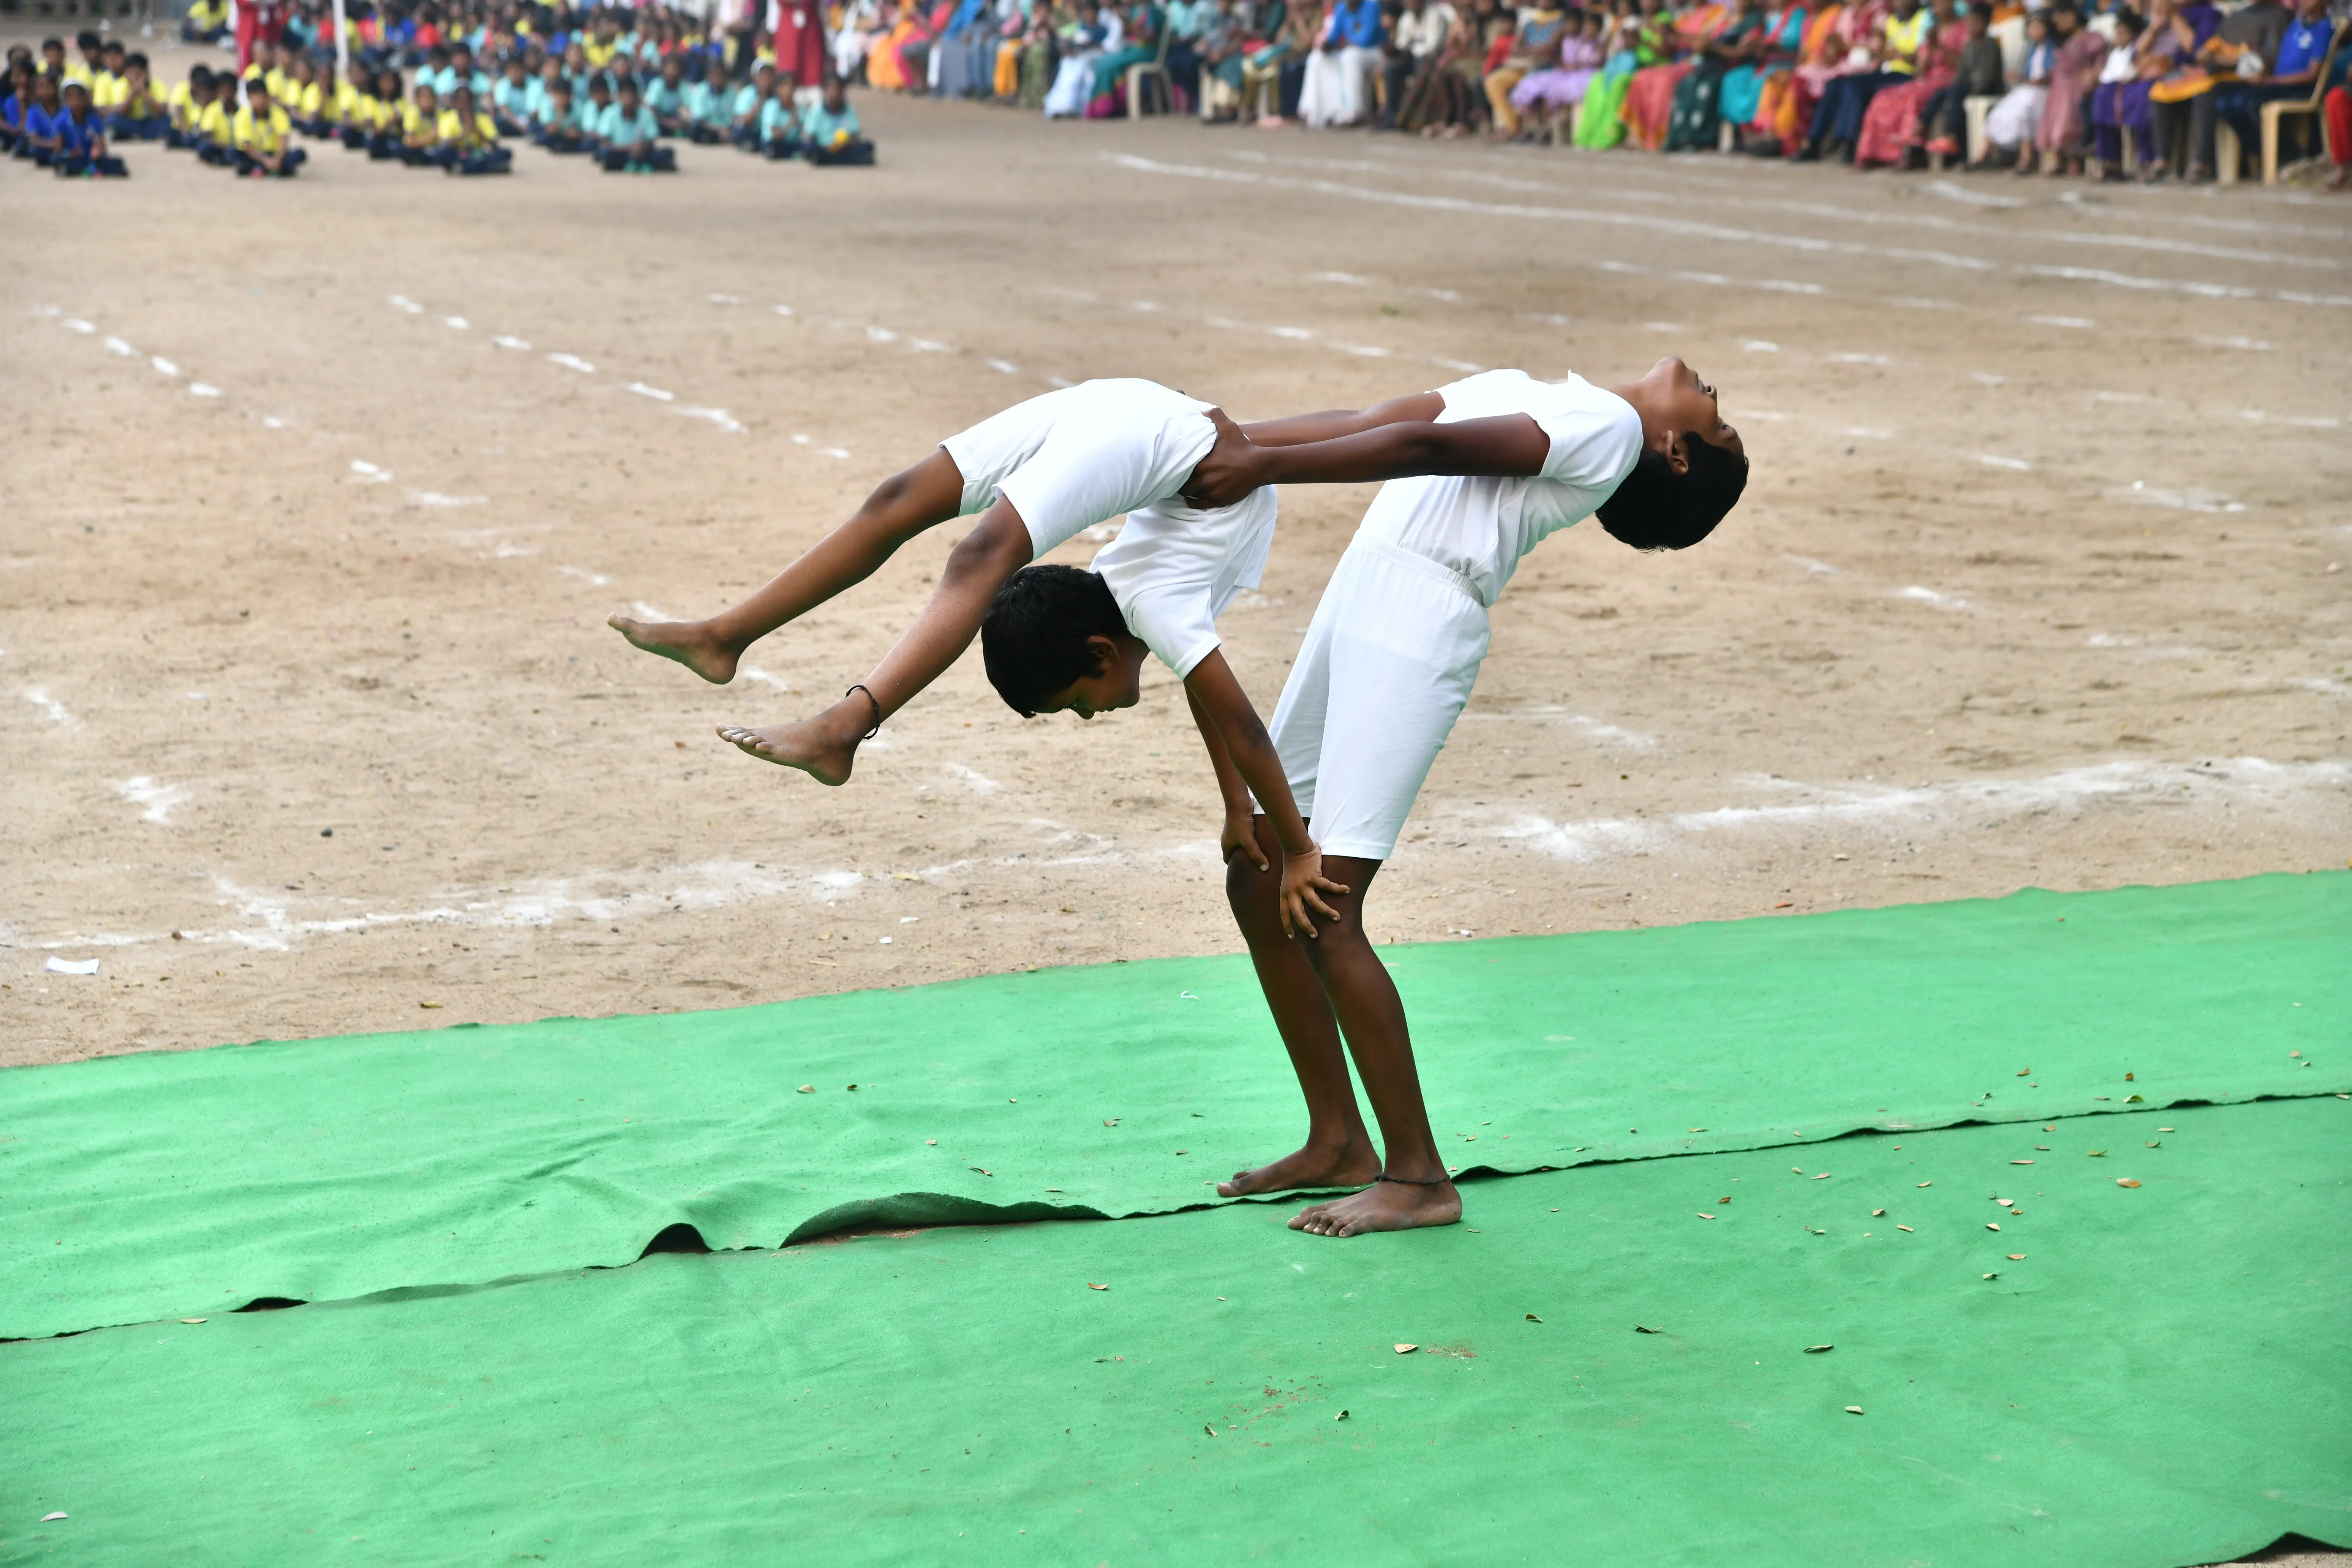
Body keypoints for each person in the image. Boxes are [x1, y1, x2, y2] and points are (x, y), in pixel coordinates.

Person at [989, 359, 1745, 1237]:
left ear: (1676, 454)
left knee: (1327, 906)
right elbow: (1373, 415)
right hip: (1368, 584)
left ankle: (1419, 1175)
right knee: (1258, 874)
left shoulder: (1608, 431)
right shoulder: (1555, 395)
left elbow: (1419, 444)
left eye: (1717, 422)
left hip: (1421, 619)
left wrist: (1259, 466)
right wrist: (1227, 441)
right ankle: (1336, 1137)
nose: (1713, 392)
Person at [1300, 0, 1385, 126]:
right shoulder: (1342, 8)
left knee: (1350, 57)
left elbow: (1366, 39)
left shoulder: (1372, 5)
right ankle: (1314, 110)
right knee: (1316, 58)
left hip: (1374, 52)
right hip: (1349, 50)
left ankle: (1355, 112)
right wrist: (1327, 46)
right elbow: (1334, 36)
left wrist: (1341, 45)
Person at [1380, 0, 1454, 128]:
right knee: (1392, 70)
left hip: (1431, 59)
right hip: (1410, 58)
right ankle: (1391, 116)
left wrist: (1411, 48)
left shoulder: (1435, 16)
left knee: (1422, 69)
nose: (1411, 4)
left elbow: (1432, 46)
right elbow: (1401, 44)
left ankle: (1410, 117)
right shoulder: (1407, 17)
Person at [599, 77, 678, 169]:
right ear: (619, 96)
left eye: (631, 96)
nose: (629, 100)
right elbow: (604, 141)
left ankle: (631, 164)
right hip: (620, 152)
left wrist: (641, 147)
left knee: (668, 153)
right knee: (606, 154)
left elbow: (652, 141)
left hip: (642, 152)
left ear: (637, 97)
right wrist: (629, 148)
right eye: (625, 96)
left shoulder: (647, 114)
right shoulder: (610, 113)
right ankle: (639, 164)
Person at [233, 77, 306, 175]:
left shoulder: (279, 113)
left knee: (300, 154)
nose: (260, 101)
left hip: (275, 154)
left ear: (267, 97)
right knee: (234, 154)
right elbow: (247, 145)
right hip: (255, 155)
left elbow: (284, 138)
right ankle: (274, 169)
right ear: (249, 98)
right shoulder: (242, 116)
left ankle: (261, 169)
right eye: (256, 97)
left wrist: (277, 159)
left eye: (262, 97)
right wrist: (265, 161)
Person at [438, 82, 513, 172]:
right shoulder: (447, 119)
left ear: (473, 102)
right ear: (455, 103)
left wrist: (476, 130)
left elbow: (494, 146)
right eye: (462, 102)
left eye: (468, 101)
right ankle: (484, 168)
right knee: (443, 154)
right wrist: (464, 133)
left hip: (478, 153)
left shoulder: (483, 118)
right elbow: (446, 144)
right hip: (460, 152)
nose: (465, 105)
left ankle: (467, 168)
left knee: (506, 153)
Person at [799, 74, 876, 160]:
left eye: (838, 90)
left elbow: (855, 136)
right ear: (826, 91)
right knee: (809, 148)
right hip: (824, 148)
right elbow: (810, 137)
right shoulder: (817, 110)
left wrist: (842, 145)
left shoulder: (849, 110)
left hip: (844, 148)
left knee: (868, 146)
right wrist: (828, 146)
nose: (835, 94)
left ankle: (829, 160)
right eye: (832, 90)